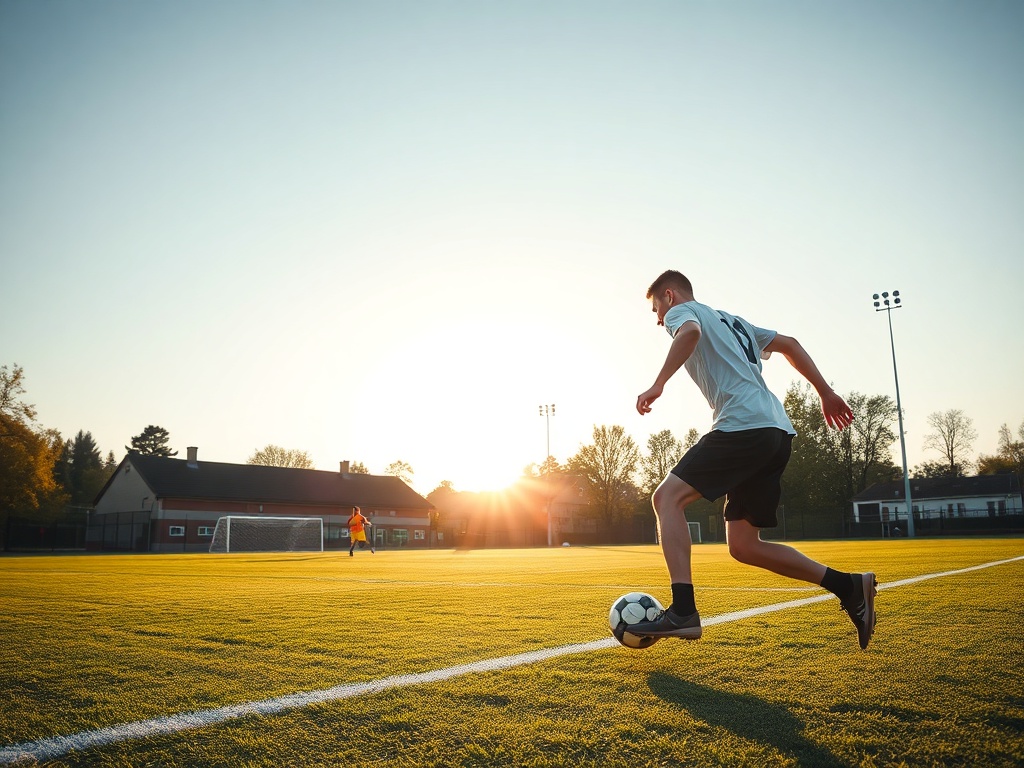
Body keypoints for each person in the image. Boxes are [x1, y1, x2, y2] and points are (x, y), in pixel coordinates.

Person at [630, 270, 877, 650]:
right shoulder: (734, 322)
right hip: (776, 432)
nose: (659, 320)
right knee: (744, 546)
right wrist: (825, 392)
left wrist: (658, 383)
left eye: (656, 310)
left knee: (666, 498)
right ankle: (848, 586)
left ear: (669, 295)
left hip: (743, 425)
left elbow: (689, 333)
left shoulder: (683, 312)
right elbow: (790, 344)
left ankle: (683, 611)